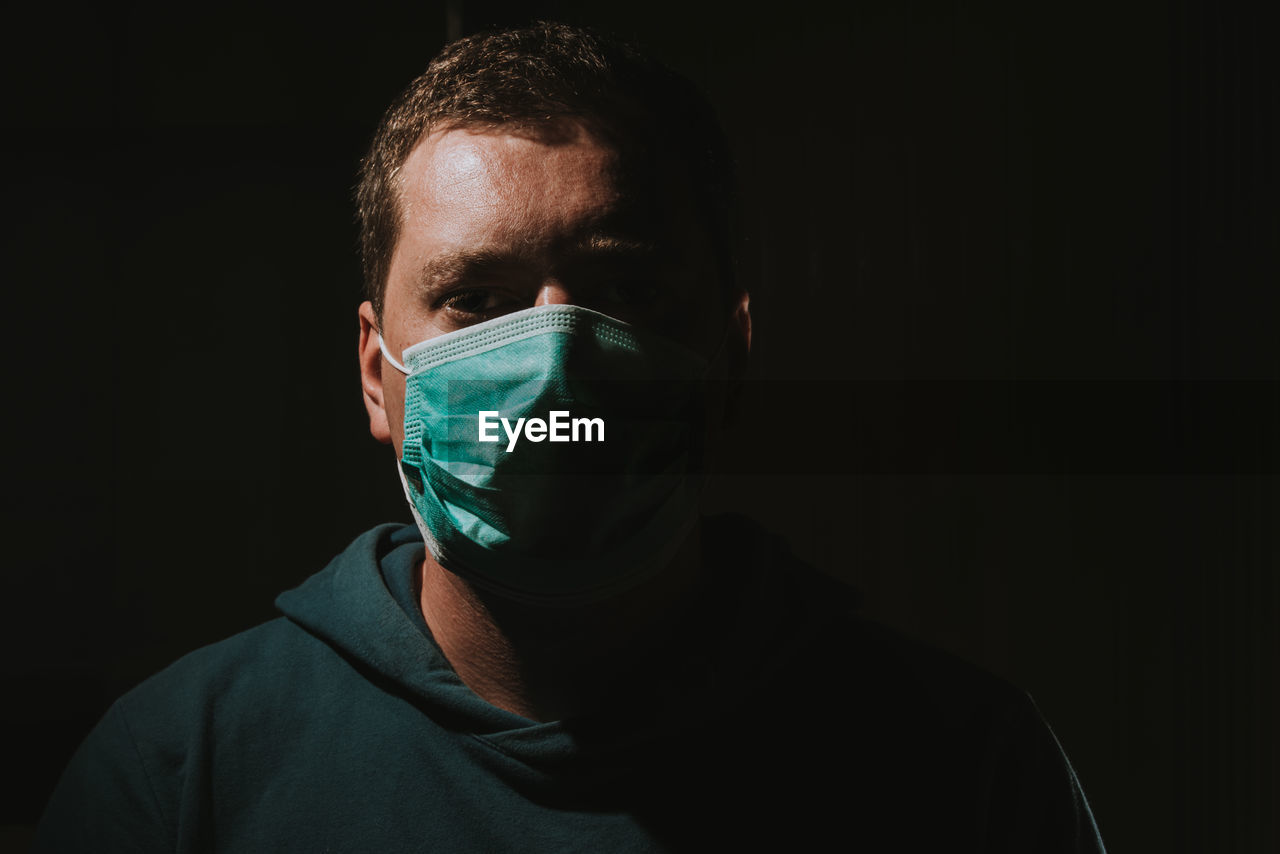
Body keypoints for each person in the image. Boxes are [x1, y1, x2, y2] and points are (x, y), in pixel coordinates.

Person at [35, 22, 1106, 852]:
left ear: (730, 350)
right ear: (376, 372)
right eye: (478, 296)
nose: (551, 368)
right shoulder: (184, 771)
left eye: (626, 288)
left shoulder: (957, 765)